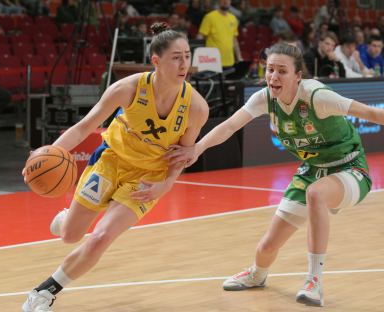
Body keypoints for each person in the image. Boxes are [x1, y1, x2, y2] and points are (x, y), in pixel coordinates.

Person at [166, 42, 384, 307]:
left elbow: (372, 113)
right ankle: (257, 275)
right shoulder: (264, 98)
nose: (273, 76)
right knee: (266, 248)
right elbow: (230, 125)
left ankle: (314, 281)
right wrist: (198, 148)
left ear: (297, 76)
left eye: (282, 71)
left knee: (316, 194)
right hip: (312, 170)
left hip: (350, 168)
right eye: (270, 69)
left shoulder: (317, 96)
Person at [22, 23, 209, 312]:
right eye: (176, 57)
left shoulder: (196, 108)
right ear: (156, 61)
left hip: (149, 177)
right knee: (71, 236)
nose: (184, 63)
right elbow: (84, 127)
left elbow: (180, 157)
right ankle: (67, 218)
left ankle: (45, 292)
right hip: (111, 161)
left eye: (187, 55)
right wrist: (44, 154)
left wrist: (166, 185)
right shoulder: (127, 89)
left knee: (101, 238)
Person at [198, 0, 243, 69]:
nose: (225, 1)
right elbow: (200, 37)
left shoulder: (233, 18)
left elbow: (234, 40)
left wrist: (239, 57)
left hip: (229, 62)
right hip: (213, 61)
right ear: (219, 1)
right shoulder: (209, 17)